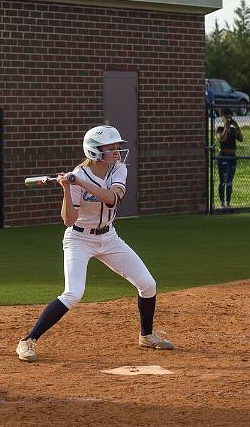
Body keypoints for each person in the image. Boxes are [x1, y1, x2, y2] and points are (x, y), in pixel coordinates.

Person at [15, 125, 173, 363]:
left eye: (117, 147)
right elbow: (69, 220)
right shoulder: (77, 176)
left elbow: (111, 199)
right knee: (73, 293)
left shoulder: (117, 169)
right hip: (79, 239)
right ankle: (28, 340)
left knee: (148, 284)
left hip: (109, 237)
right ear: (94, 151)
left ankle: (147, 335)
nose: (117, 152)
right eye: (111, 148)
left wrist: (80, 182)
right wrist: (68, 188)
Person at [215, 110, 243, 208]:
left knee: (230, 181)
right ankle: (222, 203)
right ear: (222, 118)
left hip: (232, 157)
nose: (228, 119)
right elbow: (222, 138)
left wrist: (237, 127)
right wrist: (226, 127)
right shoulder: (219, 129)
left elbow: (241, 139)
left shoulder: (234, 130)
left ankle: (228, 203)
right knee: (223, 181)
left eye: (230, 117)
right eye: (226, 117)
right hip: (223, 157)